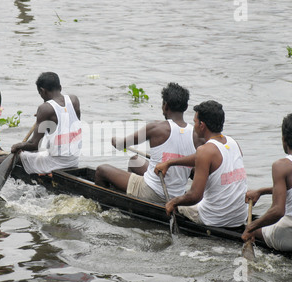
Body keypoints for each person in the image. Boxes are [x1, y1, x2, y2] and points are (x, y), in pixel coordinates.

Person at [94, 82, 203, 205]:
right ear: (186, 106)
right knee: (134, 160)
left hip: (153, 192)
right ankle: (132, 199)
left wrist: (115, 140)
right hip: (177, 194)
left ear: (165, 106)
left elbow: (121, 144)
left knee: (101, 170)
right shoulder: (198, 135)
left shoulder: (155, 128)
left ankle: (110, 209)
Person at [155, 100, 248, 228]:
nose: (194, 125)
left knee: (179, 203)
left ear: (202, 125)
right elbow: (200, 158)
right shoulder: (233, 143)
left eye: (194, 122)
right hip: (240, 217)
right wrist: (170, 163)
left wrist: (174, 202)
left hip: (215, 219)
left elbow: (195, 196)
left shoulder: (204, 151)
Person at [0, 72, 82, 174]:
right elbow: (67, 126)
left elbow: (34, 145)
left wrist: (18, 146)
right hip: (73, 160)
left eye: (40, 93)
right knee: (35, 152)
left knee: (21, 156)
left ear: (43, 91)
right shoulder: (74, 100)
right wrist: (44, 117)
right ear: (60, 87)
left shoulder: (45, 109)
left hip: (57, 164)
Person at [241, 114, 292, 252]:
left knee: (256, 228)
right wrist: (261, 191)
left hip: (289, 233)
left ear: (284, 139)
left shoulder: (281, 166)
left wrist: (251, 227)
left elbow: (278, 211)